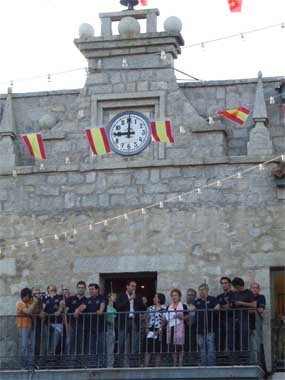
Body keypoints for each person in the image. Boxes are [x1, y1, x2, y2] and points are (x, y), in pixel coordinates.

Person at [116, 280, 145, 367]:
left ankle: (133, 364)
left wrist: (142, 302)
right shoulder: (121, 295)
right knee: (121, 343)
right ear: (127, 286)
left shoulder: (138, 296)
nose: (133, 288)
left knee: (134, 343)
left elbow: (143, 308)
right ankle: (120, 363)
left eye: (135, 286)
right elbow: (118, 307)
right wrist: (129, 299)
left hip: (134, 320)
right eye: (132, 286)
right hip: (124, 320)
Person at [193, 283, 220, 366]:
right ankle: (203, 364)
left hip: (210, 327)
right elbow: (192, 308)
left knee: (210, 346)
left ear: (207, 290)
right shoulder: (197, 301)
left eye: (203, 290)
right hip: (199, 328)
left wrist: (216, 307)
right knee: (202, 347)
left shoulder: (212, 299)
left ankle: (211, 365)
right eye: (200, 290)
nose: (202, 292)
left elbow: (217, 306)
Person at [230, 277, 257, 353]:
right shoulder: (233, 293)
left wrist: (241, 303)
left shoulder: (248, 292)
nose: (235, 288)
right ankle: (237, 360)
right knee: (235, 340)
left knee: (244, 339)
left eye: (236, 286)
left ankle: (244, 359)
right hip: (234, 319)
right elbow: (231, 304)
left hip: (245, 319)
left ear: (239, 285)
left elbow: (254, 305)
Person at [16, 288, 40, 369]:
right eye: (29, 296)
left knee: (30, 347)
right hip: (22, 327)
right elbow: (28, 312)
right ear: (25, 296)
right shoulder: (20, 303)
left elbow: (35, 312)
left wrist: (36, 303)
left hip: (30, 326)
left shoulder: (30, 302)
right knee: (24, 347)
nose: (30, 298)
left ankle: (30, 365)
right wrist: (34, 303)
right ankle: (23, 366)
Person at [65, 281, 88, 356]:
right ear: (77, 288)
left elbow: (84, 306)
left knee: (81, 347)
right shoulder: (70, 299)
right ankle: (70, 366)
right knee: (70, 346)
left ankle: (80, 365)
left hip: (83, 326)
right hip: (71, 325)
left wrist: (77, 310)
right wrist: (66, 325)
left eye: (82, 288)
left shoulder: (87, 299)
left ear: (85, 289)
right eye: (79, 287)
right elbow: (65, 312)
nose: (80, 289)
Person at [165, 288, 188, 367]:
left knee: (180, 346)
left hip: (180, 328)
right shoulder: (168, 306)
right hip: (171, 327)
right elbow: (165, 317)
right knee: (173, 346)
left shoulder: (183, 306)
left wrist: (180, 316)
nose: (174, 297)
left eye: (175, 295)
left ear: (179, 297)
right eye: (172, 295)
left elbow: (187, 317)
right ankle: (175, 363)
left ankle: (180, 363)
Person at [85, 283, 106, 366]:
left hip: (100, 327)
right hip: (90, 327)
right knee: (91, 347)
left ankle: (101, 364)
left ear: (97, 290)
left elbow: (102, 305)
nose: (91, 291)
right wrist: (77, 310)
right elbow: (83, 306)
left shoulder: (102, 298)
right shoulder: (87, 300)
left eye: (92, 289)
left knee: (101, 347)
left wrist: (100, 310)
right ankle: (92, 364)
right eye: (90, 289)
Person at [144, 293, 166, 367]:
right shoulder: (150, 308)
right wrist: (146, 327)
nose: (153, 298)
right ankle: (146, 367)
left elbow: (164, 320)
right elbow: (146, 318)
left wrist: (160, 328)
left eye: (155, 297)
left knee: (158, 351)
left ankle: (156, 368)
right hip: (150, 329)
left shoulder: (164, 308)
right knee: (148, 350)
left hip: (159, 330)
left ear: (159, 299)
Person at [42, 285, 65, 355]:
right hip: (47, 323)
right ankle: (47, 361)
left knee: (54, 343)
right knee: (47, 343)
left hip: (57, 323)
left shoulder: (59, 296)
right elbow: (43, 307)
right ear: (48, 290)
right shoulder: (45, 298)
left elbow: (62, 304)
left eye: (53, 286)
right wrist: (42, 312)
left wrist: (59, 311)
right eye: (50, 286)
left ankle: (52, 362)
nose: (53, 286)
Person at [249, 282, 266, 366]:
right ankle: (250, 362)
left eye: (256, 288)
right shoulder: (247, 297)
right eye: (252, 288)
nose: (254, 289)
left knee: (256, 343)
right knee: (248, 344)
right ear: (250, 289)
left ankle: (256, 363)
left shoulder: (261, 297)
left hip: (256, 324)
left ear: (259, 289)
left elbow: (261, 310)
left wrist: (251, 307)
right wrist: (253, 306)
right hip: (246, 324)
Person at [216, 277, 234, 352]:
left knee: (231, 339)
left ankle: (232, 358)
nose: (224, 285)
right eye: (222, 283)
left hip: (232, 320)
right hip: (221, 320)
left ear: (229, 284)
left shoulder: (234, 294)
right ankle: (221, 358)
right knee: (221, 339)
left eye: (225, 283)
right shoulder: (219, 296)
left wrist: (221, 306)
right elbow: (216, 307)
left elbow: (231, 306)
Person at [31, 287, 45, 357]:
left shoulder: (40, 301)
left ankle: (36, 363)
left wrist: (42, 313)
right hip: (30, 324)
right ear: (32, 292)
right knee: (29, 343)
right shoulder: (30, 300)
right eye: (36, 291)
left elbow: (42, 311)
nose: (38, 293)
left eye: (39, 291)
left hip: (38, 324)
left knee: (37, 343)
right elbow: (29, 311)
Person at [106, 293, 117, 368]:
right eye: (114, 296)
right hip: (106, 328)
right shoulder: (106, 307)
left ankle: (110, 365)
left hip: (112, 329)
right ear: (109, 298)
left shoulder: (115, 309)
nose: (115, 297)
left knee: (111, 347)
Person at [185, 288, 197, 355]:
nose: (189, 296)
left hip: (194, 327)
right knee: (185, 345)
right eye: (188, 294)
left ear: (195, 296)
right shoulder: (183, 305)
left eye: (191, 295)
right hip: (185, 328)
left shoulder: (197, 305)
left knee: (193, 345)